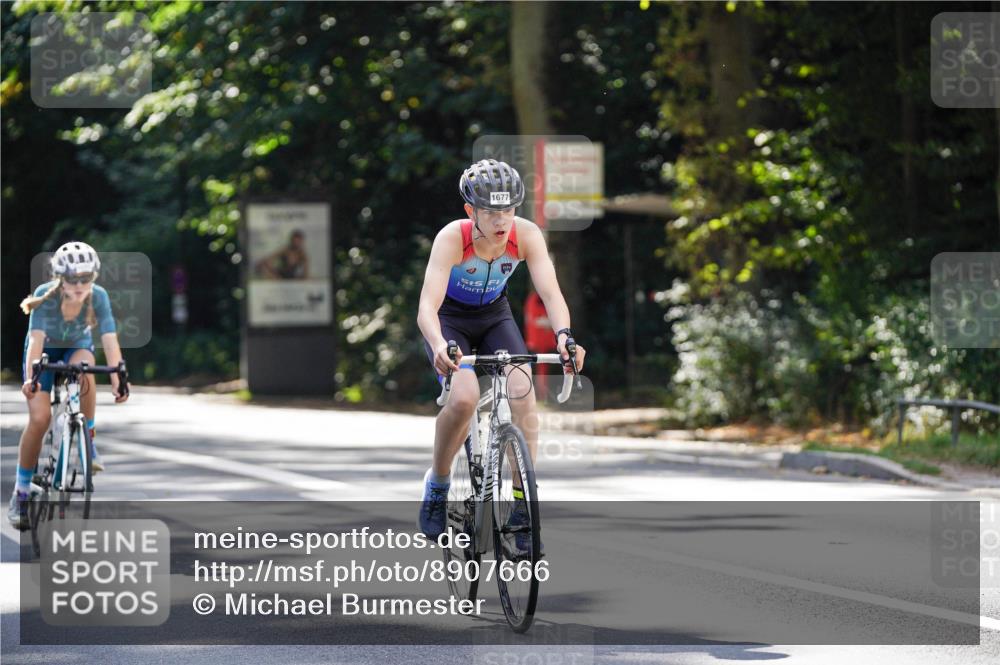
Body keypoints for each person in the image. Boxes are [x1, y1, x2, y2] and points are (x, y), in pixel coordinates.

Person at [416, 159, 587, 550]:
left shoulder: (526, 236)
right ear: (470, 211)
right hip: (450, 321)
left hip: (495, 317)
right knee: (464, 399)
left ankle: (521, 503)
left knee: (522, 391)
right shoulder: (451, 238)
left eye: (508, 209)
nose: (501, 220)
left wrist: (564, 337)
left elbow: (551, 294)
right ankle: (438, 485)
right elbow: (427, 307)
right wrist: (440, 346)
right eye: (492, 211)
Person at [8, 242, 130, 530]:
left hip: (76, 347)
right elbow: (35, 342)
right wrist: (30, 378)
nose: (79, 285)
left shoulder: (98, 296)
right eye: (72, 279)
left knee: (85, 370)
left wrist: (118, 378)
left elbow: (110, 339)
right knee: (40, 419)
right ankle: (22, 491)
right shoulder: (44, 296)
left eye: (85, 278)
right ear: (60, 278)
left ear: (94, 278)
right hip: (45, 354)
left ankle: (87, 436)